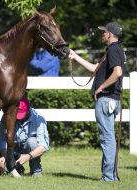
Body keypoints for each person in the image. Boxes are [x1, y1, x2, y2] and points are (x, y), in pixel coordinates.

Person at [68, 22, 126, 182]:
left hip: (106, 98)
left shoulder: (113, 50)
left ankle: (108, 177)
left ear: (110, 34)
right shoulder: (115, 50)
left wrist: (101, 87)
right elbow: (95, 68)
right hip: (112, 100)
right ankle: (110, 175)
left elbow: (118, 73)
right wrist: (76, 57)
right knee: (109, 138)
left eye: (104, 32)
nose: (102, 34)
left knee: (107, 139)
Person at [0, 97, 50, 176]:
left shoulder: (39, 119)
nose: (18, 118)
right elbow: (2, 140)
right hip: (12, 148)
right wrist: (7, 157)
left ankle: (36, 171)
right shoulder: (7, 117)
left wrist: (28, 156)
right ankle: (13, 168)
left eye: (21, 115)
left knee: (32, 142)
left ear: (28, 110)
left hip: (28, 148)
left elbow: (44, 146)